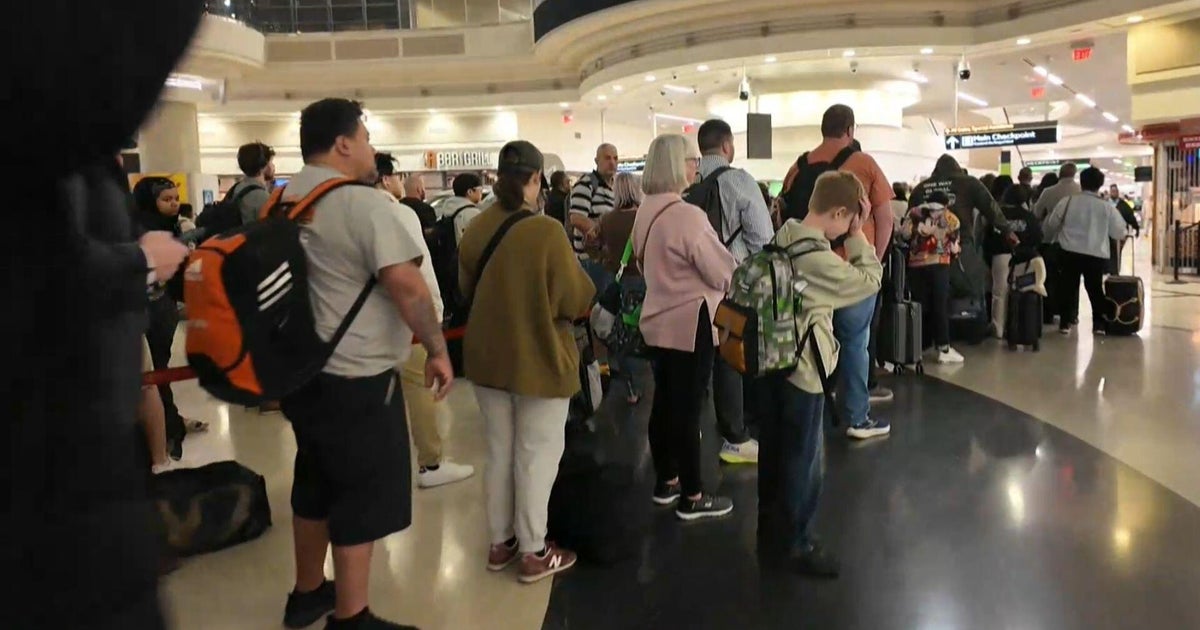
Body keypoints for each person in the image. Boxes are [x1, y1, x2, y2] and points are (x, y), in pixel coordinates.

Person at [8, 1, 200, 626]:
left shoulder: (63, 155)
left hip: (80, 458)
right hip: (51, 482)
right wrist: (141, 261)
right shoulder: (44, 155)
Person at [279, 98, 453, 630]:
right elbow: (407, 287)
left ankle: (308, 592)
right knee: (359, 493)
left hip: (300, 373)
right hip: (356, 378)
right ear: (343, 143)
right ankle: (352, 618)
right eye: (367, 135)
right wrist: (439, 349)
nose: (372, 146)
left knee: (313, 481)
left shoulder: (285, 199)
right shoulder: (363, 205)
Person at [458, 140, 595, 584]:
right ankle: (534, 551)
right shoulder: (546, 232)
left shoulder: (477, 227)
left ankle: (501, 543)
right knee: (536, 455)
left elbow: (465, 291)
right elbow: (576, 298)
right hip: (539, 359)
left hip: (485, 359)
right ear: (536, 179)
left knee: (499, 452)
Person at [762, 170, 883, 577]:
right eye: (847, 219)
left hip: (772, 361)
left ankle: (772, 533)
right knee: (804, 461)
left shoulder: (782, 237)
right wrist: (858, 234)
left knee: (776, 453)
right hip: (804, 370)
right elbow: (869, 280)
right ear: (840, 213)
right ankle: (798, 543)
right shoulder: (816, 258)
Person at [635, 133, 738, 520]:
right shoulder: (687, 216)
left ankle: (667, 481)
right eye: (692, 160)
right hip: (690, 323)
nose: (697, 165)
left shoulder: (647, 211)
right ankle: (694, 495)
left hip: (657, 320)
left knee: (664, 404)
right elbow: (720, 271)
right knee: (690, 410)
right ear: (678, 166)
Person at [787, 105, 896, 438]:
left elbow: (783, 210)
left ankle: (814, 405)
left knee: (808, 339)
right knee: (854, 343)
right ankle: (857, 417)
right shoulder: (863, 164)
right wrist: (871, 258)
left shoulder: (799, 164)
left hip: (808, 269)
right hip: (849, 268)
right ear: (850, 129)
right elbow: (886, 217)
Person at [374, 155, 475, 491]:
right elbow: (420, 272)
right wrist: (434, 312)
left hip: (368, 326)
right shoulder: (399, 212)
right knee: (419, 388)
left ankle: (381, 463)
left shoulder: (350, 214)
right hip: (407, 318)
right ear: (386, 179)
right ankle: (431, 463)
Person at [694, 119, 775, 462]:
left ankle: (692, 428)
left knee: (697, 358)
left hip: (692, 286)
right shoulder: (738, 181)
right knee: (730, 355)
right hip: (730, 282)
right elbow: (762, 238)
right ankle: (735, 436)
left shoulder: (687, 184)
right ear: (727, 146)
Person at [132, 176, 208, 457]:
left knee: (158, 372)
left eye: (176, 198)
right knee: (153, 377)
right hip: (146, 311)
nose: (174, 204)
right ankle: (166, 432)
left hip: (163, 309)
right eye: (166, 199)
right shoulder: (141, 231)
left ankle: (170, 425)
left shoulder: (171, 227)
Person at [1043, 167, 1129, 337]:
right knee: (1095, 289)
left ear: (1081, 182)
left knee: (1067, 287)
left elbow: (1052, 223)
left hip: (1069, 252)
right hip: (1095, 254)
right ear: (1100, 184)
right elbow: (1119, 232)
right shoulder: (1107, 207)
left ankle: (1065, 323)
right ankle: (1098, 324)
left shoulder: (1067, 201)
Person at [597, 172, 645, 404]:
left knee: (622, 337)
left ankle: (630, 389)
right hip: (645, 282)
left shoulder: (606, 219)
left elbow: (597, 248)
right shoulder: (644, 217)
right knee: (648, 333)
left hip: (618, 283)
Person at [900, 192, 962, 363]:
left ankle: (918, 346)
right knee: (940, 306)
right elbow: (955, 246)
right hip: (939, 264)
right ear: (946, 203)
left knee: (920, 306)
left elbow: (904, 234)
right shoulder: (950, 217)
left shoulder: (914, 213)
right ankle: (943, 348)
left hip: (916, 265)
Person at [988, 185, 1044, 338]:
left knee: (999, 292)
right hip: (1023, 257)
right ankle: (1019, 326)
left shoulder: (998, 214)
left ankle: (998, 327)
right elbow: (1038, 236)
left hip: (1000, 255)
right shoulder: (1028, 216)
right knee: (1020, 290)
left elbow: (987, 237)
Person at [570, 143, 619, 293]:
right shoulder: (586, 184)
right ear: (597, 161)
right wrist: (604, 235)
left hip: (608, 259)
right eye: (607, 158)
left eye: (615, 158)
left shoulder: (615, 186)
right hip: (592, 259)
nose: (612, 162)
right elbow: (577, 218)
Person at [229, 141, 276, 225]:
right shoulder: (262, 197)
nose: (273, 166)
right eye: (271, 162)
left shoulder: (236, 189)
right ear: (264, 165)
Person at [444, 172, 485, 244]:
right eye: (480, 190)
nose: (481, 193)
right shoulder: (472, 213)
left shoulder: (448, 209)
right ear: (470, 192)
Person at [400, 173, 439, 239]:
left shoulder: (398, 206)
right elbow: (431, 236)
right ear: (419, 189)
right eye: (423, 188)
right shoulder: (426, 209)